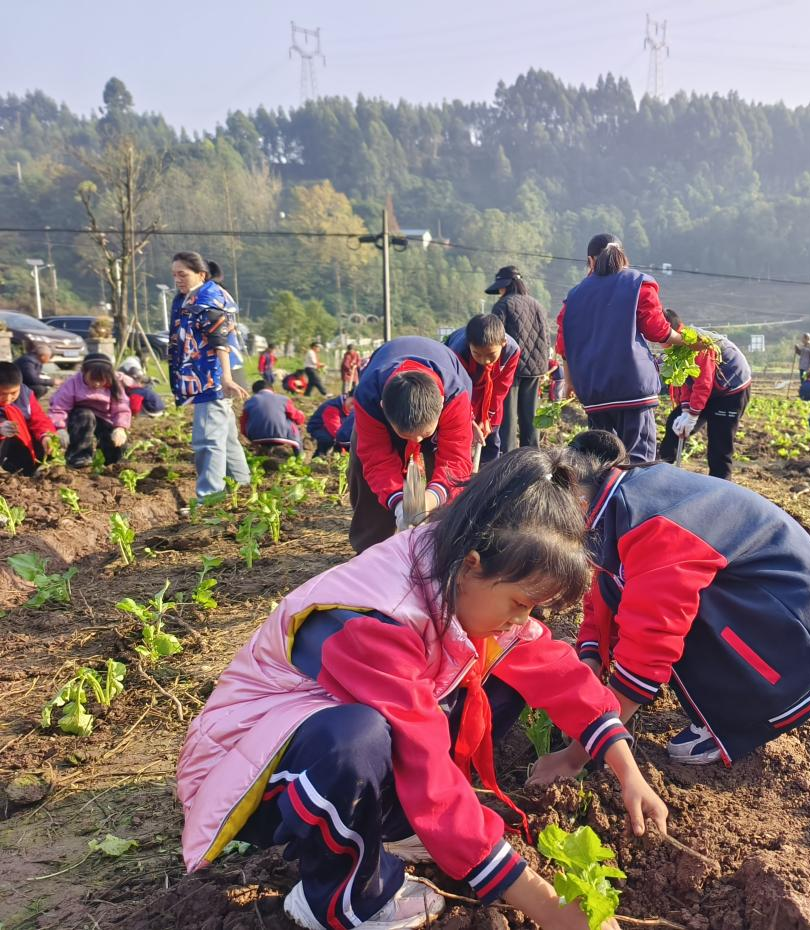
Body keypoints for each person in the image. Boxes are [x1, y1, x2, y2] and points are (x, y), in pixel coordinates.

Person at [177, 449, 667, 930]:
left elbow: (554, 669)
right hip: (255, 774)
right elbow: (422, 756)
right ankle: (342, 899)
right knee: (358, 738)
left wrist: (627, 771)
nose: (523, 619)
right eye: (520, 603)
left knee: (504, 672)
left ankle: (395, 827)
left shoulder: (455, 567)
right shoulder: (374, 620)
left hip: (330, 738)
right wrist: (547, 907)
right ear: (472, 564)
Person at [547, 430, 810, 767]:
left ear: (575, 500)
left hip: (801, 650)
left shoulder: (651, 526)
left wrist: (581, 751)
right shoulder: (620, 496)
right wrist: (591, 660)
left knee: (664, 608)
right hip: (795, 607)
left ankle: (749, 712)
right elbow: (605, 587)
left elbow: (651, 641)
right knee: (636, 591)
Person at [555, 234, 683, 463]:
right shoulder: (638, 283)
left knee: (601, 462)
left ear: (590, 261)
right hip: (632, 390)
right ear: (623, 256)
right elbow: (657, 331)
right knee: (639, 463)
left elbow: (564, 344)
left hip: (594, 392)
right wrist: (687, 341)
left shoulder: (574, 296)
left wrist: (570, 381)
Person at [349, 336, 473, 553]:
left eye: (424, 435)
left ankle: (440, 547)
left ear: (441, 404)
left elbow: (455, 460)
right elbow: (376, 460)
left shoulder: (455, 396)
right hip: (389, 405)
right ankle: (371, 551)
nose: (416, 442)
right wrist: (399, 503)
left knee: (446, 491)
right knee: (363, 472)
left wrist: (432, 498)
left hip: (444, 402)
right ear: (383, 407)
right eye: (406, 435)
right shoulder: (369, 396)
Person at [169, 251, 251, 501]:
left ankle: (210, 498)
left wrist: (226, 379)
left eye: (183, 274)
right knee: (225, 436)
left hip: (212, 378)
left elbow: (220, 342)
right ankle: (242, 486)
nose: (177, 280)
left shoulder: (208, 300)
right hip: (204, 375)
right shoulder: (189, 298)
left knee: (208, 439)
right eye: (174, 275)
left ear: (201, 275)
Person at [657, 309, 751, 480]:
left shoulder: (696, 342)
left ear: (668, 330)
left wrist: (693, 415)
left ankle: (720, 483)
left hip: (730, 391)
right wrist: (686, 410)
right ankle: (661, 470)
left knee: (719, 442)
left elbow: (703, 382)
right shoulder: (676, 345)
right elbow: (686, 380)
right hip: (709, 389)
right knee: (675, 424)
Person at [486, 265, 551, 453]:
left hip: (511, 368)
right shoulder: (537, 305)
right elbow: (546, 337)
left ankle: (507, 457)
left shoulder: (503, 305)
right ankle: (532, 458)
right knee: (530, 417)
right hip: (535, 368)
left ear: (505, 286)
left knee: (507, 418)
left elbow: (494, 337)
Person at [446, 315, 520, 465]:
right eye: (477, 354)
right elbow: (457, 391)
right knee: (460, 437)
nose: (485, 361)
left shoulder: (512, 351)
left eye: (491, 355)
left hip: (491, 395)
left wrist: (487, 418)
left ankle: (489, 473)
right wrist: (470, 420)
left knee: (491, 437)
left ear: (503, 343)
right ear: (469, 345)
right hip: (464, 393)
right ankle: (461, 473)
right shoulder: (458, 352)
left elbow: (501, 388)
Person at [47, 354, 131, 469]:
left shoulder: (114, 384)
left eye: (101, 380)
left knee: (115, 443)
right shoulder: (73, 383)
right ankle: (79, 456)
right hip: (79, 419)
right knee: (86, 415)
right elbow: (59, 407)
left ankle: (109, 461)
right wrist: (60, 428)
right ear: (84, 372)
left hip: (104, 418)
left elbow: (121, 408)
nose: (97, 384)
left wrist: (120, 428)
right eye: (93, 379)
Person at [0, 361, 54, 475]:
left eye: (13, 392)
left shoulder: (25, 395)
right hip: (4, 446)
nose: (8, 398)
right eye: (2, 394)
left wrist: (46, 435)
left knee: (45, 440)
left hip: (21, 445)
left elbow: (39, 419)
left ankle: (30, 467)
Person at [241, 380, 306, 455]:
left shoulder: (249, 402)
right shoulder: (283, 399)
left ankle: (264, 452)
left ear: (254, 392)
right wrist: (301, 415)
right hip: (281, 434)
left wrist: (249, 436)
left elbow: (243, 423)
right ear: (272, 389)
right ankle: (299, 455)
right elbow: (297, 419)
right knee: (291, 422)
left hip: (256, 437)